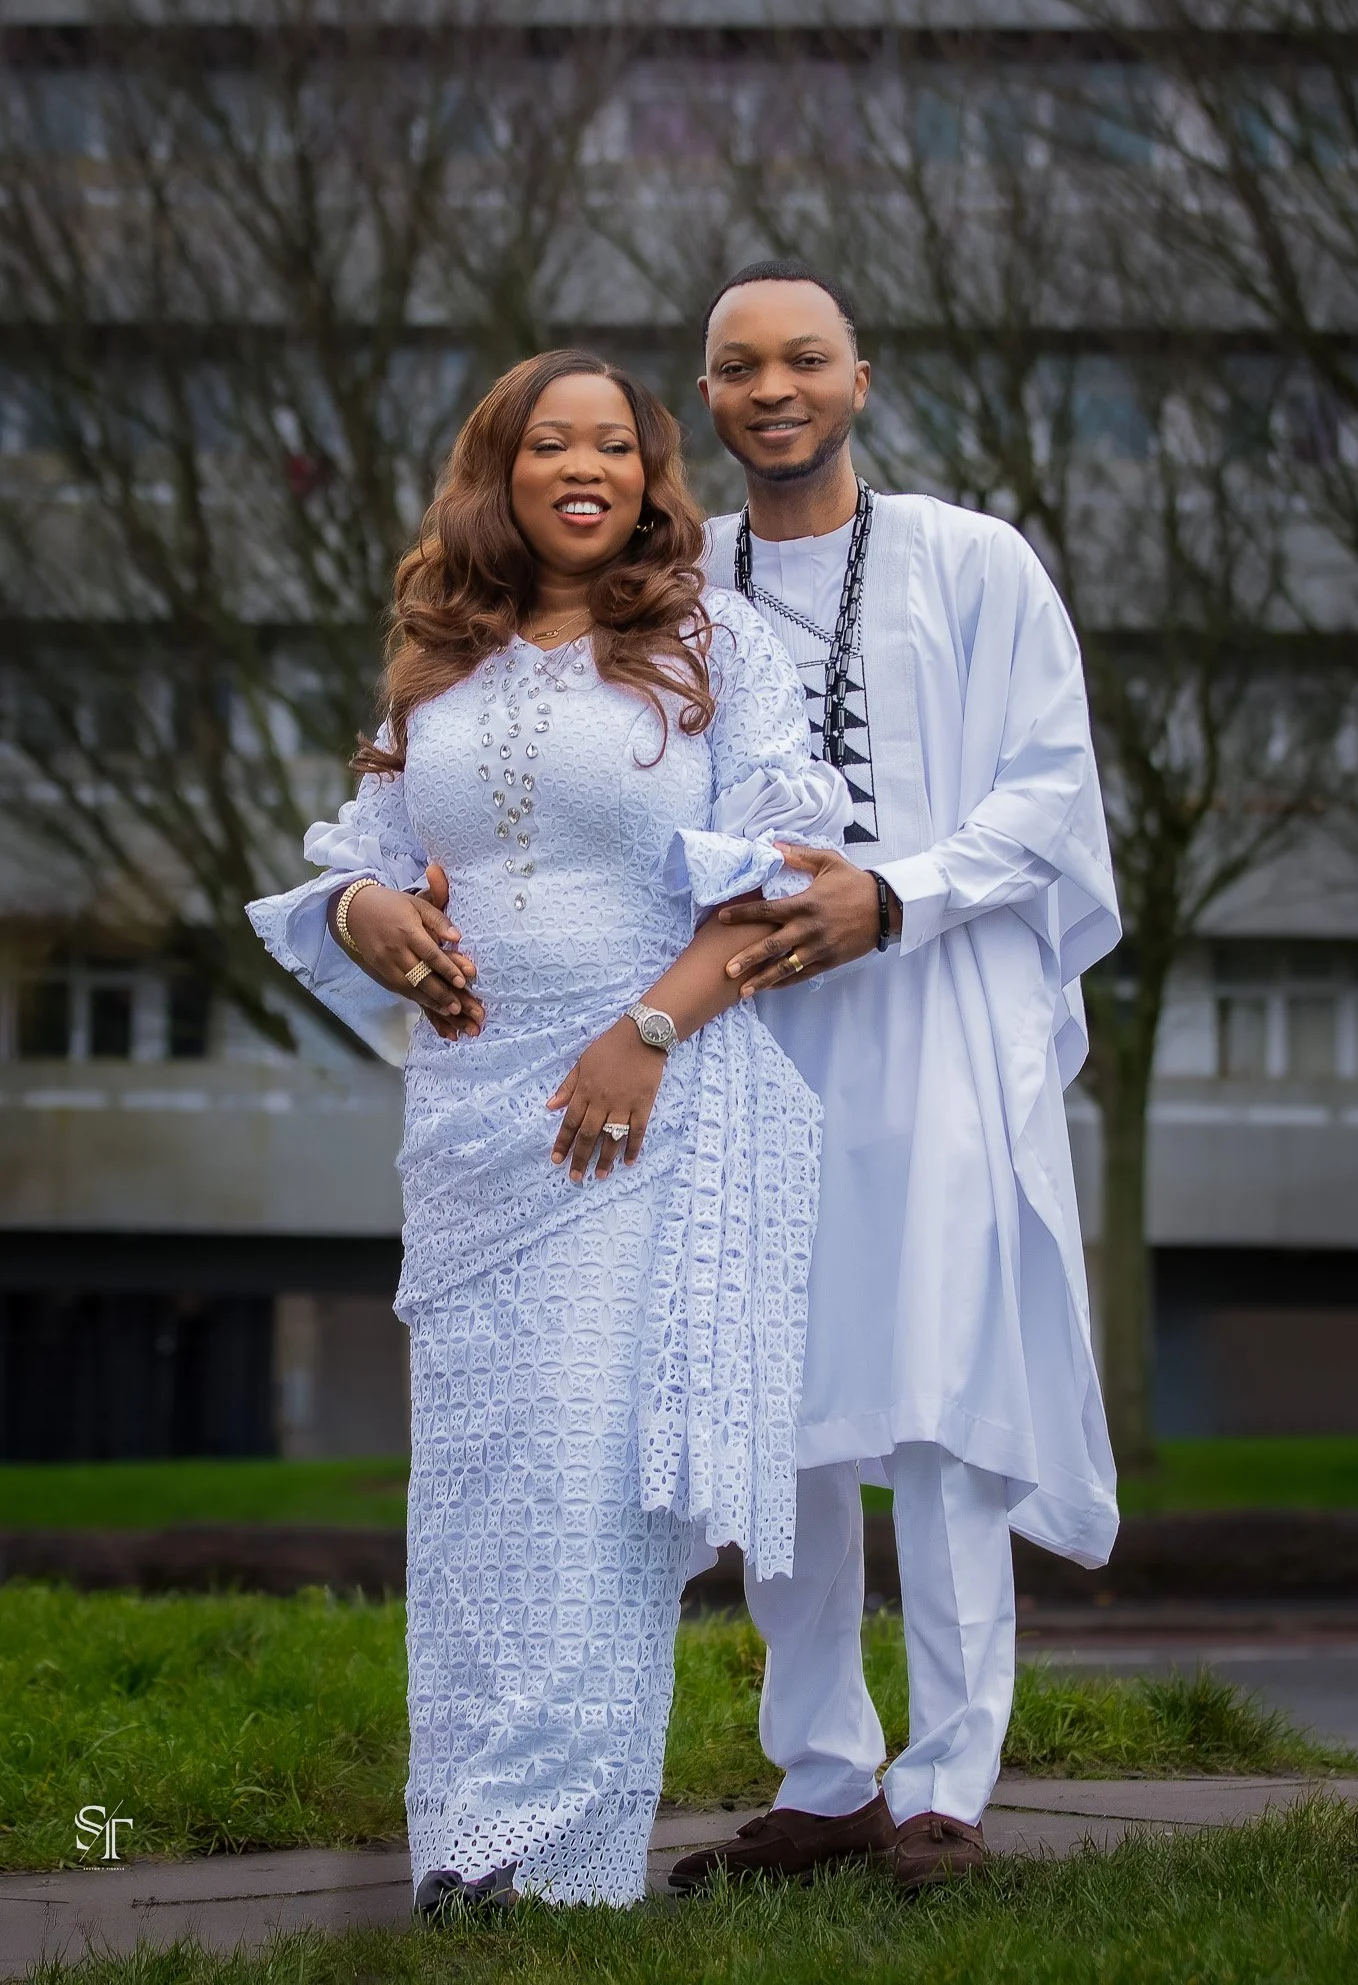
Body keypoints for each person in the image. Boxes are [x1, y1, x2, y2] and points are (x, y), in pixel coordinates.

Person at [246, 350, 850, 1912]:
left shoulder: (718, 648)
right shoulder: (440, 653)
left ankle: (555, 1854)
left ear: (653, 478)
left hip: (638, 1112)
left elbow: (776, 884)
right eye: (547, 444)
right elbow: (361, 861)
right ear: (499, 471)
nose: (582, 467)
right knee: (477, 1486)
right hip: (466, 1126)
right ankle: (461, 1837)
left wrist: (644, 1037)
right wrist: (368, 908)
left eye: (615, 447)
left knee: (592, 1474)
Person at [666, 262, 1122, 1896]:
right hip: (747, 1034)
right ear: (706, 397)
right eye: (735, 366)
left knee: (931, 1394)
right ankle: (824, 1773)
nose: (771, 387)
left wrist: (892, 895)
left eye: (802, 358)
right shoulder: (676, 581)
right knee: (772, 1402)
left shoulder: (971, 562)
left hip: (927, 1024)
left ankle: (947, 1782)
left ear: (862, 377)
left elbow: (1049, 792)